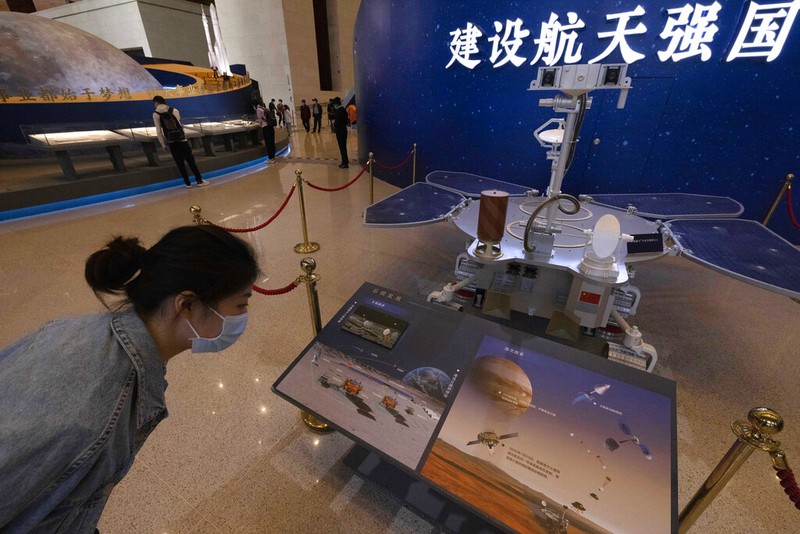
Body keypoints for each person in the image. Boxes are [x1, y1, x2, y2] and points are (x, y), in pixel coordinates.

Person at [0, 225, 259, 532]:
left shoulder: (77, 331)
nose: (243, 316)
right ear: (187, 304)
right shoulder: (97, 413)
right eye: (241, 304)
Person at [152, 95, 206, 188]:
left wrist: (163, 144)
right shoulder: (174, 110)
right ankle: (199, 180)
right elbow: (179, 124)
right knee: (190, 161)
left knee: (179, 162)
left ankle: (187, 183)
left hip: (172, 142)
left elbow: (158, 131)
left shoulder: (156, 114)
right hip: (182, 139)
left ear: (156, 103)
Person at [332, 96, 350, 168]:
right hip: (342, 130)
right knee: (343, 147)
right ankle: (345, 161)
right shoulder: (342, 110)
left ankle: (345, 163)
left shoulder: (340, 111)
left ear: (336, 104)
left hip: (340, 131)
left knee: (342, 147)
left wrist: (334, 124)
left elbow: (339, 121)